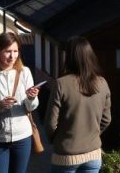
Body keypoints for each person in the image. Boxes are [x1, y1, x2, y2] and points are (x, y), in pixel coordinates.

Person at [45, 37, 111, 173]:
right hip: (93, 154)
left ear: (68, 57)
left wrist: (57, 140)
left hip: (66, 155)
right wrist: (92, 134)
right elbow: (106, 119)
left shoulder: (61, 83)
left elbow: (50, 123)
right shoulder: (102, 83)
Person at [0, 32, 42, 173]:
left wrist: (31, 98)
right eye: (8, 51)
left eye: (15, 51)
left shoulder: (25, 72)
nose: (12, 56)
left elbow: (31, 107)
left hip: (22, 135)